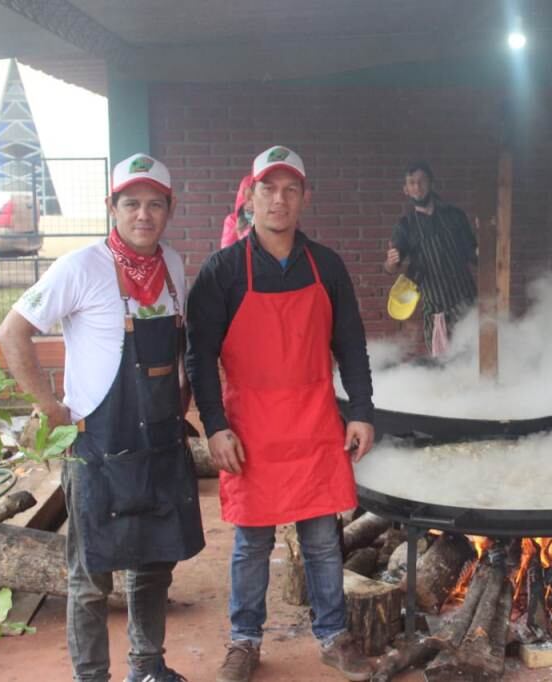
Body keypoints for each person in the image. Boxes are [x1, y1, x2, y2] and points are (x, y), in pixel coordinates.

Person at [0, 153, 204, 682]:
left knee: (153, 567)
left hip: (157, 447)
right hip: (98, 448)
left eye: (155, 204)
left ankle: (148, 666)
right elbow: (11, 333)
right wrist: (50, 409)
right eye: (131, 203)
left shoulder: (175, 267)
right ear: (112, 207)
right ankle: (92, 677)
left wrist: (178, 402)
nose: (143, 215)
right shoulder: (80, 266)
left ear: (169, 210)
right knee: (90, 579)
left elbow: (176, 355)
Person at [185, 145, 375, 682]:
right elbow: (199, 356)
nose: (279, 200)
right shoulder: (223, 270)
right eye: (268, 188)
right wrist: (215, 426)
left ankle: (334, 635)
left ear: (304, 199)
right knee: (252, 542)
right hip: (251, 428)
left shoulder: (327, 266)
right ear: (251, 196)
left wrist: (360, 411)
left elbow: (352, 345)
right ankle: (244, 641)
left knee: (321, 539)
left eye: (291, 189)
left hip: (315, 421)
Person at [383, 160, 477, 356]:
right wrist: (391, 262)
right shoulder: (405, 226)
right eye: (412, 183)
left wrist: (485, 244)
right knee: (443, 369)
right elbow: (391, 268)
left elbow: (474, 255)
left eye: (421, 181)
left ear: (431, 183)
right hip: (437, 310)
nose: (417, 187)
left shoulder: (455, 216)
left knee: (475, 361)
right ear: (406, 189)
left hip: (468, 304)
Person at [220, 174, 254, 248]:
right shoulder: (232, 220)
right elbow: (227, 253)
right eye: (248, 196)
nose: (252, 201)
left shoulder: (269, 217)